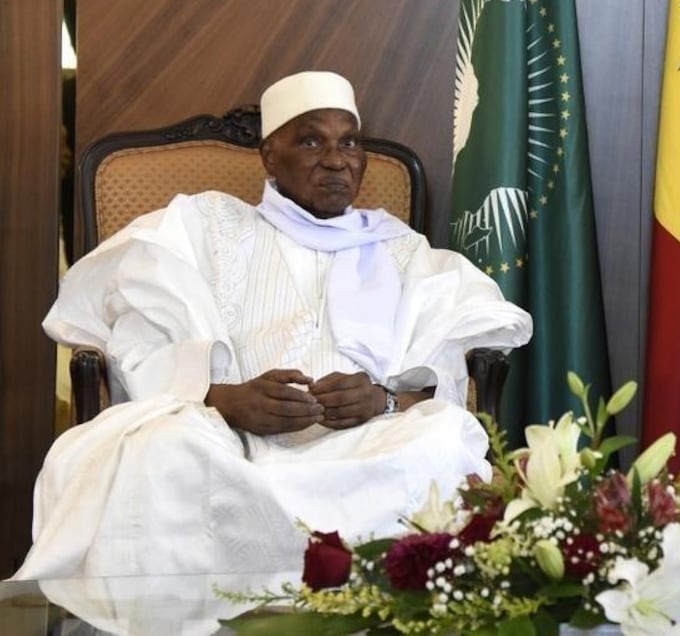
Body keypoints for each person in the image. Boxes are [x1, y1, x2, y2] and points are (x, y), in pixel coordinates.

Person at [15, 71, 533, 579]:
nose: (336, 160)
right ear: (268, 155)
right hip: (232, 442)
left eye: (349, 142)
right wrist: (222, 398)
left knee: (441, 439)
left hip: (370, 442)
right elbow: (137, 332)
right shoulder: (208, 226)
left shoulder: (403, 250)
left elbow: (450, 371)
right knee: (160, 450)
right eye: (311, 141)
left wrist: (384, 400)